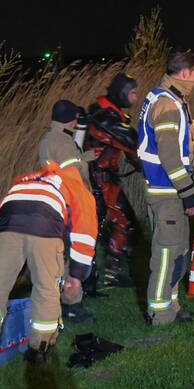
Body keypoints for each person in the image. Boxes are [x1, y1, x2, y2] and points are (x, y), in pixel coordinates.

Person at [0, 161, 98, 380]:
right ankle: (39, 350)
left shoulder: (26, 180)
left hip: (7, 223)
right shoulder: (77, 187)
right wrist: (76, 275)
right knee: (46, 288)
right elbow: (84, 236)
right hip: (45, 225)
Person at [136, 50, 194, 326]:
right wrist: (187, 192)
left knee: (178, 251)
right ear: (185, 73)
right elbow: (169, 156)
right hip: (168, 192)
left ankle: (172, 306)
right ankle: (160, 312)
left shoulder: (165, 98)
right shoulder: (168, 105)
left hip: (169, 190)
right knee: (165, 253)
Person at [37, 99, 96, 319]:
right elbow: (73, 173)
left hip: (56, 203)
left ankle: (61, 302)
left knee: (58, 256)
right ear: (71, 121)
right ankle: (73, 305)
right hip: (71, 206)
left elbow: (61, 165)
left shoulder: (48, 139)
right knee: (73, 255)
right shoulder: (64, 142)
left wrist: (86, 157)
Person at [85, 73, 141, 287]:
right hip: (96, 182)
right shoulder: (105, 117)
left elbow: (128, 145)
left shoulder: (110, 114)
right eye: (133, 93)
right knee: (91, 229)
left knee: (124, 222)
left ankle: (110, 274)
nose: (135, 98)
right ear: (121, 93)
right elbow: (130, 141)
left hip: (106, 181)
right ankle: (85, 279)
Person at [38, 99, 91, 187]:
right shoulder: (64, 144)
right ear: (72, 122)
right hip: (71, 195)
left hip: (55, 190)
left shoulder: (49, 138)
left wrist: (91, 155)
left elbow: (65, 161)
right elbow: (73, 176)